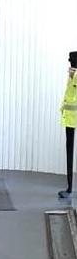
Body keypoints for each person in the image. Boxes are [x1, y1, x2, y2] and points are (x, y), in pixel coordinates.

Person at [58, 58, 77, 199]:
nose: (69, 67)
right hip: (69, 118)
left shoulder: (75, 77)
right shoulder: (72, 77)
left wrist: (74, 76)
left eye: (71, 64)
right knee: (69, 150)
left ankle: (70, 189)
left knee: (70, 150)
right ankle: (69, 187)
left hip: (73, 118)